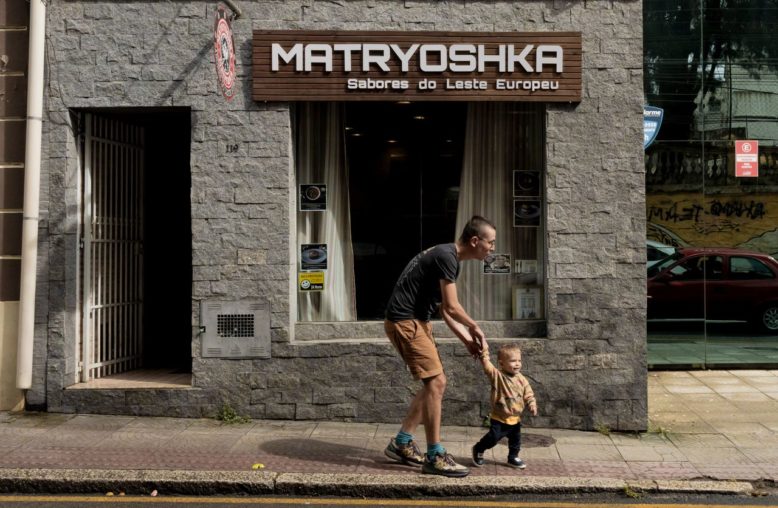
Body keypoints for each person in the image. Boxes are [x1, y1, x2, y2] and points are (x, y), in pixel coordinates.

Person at [383, 215, 496, 478]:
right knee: (436, 383)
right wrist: (475, 327)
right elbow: (455, 308)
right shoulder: (447, 257)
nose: (492, 248)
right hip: (406, 321)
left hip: (416, 321)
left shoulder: (449, 258)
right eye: (490, 243)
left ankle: (402, 443)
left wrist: (466, 340)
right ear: (475, 240)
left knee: (435, 382)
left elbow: (445, 310)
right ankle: (434, 456)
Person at [471, 342, 538, 469]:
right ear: (502, 363)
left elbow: (528, 393)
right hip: (499, 418)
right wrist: (484, 352)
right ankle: (479, 448)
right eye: (513, 361)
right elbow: (487, 366)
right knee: (493, 438)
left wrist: (532, 403)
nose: (517, 363)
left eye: (519, 360)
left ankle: (513, 457)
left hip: (515, 418)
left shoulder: (522, 379)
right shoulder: (497, 376)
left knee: (516, 441)